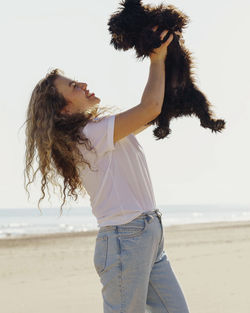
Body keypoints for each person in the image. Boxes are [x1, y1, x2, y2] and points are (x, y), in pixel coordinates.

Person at [24, 26, 189, 313]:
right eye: (73, 87)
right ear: (62, 109)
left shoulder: (99, 131)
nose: (83, 85)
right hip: (127, 239)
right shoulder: (88, 135)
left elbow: (152, 111)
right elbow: (150, 107)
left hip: (147, 236)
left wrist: (170, 59)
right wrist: (155, 58)